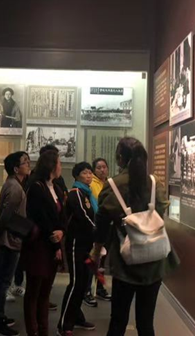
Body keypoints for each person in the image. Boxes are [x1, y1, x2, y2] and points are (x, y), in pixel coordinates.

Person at [91, 137, 179, 336]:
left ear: (120, 158)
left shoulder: (113, 185)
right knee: (146, 323)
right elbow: (161, 211)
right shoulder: (155, 183)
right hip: (155, 260)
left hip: (126, 261)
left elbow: (102, 224)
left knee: (118, 321)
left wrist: (96, 253)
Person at [0, 151, 31, 336]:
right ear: (16, 168)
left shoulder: (13, 184)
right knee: (2, 282)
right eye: (25, 162)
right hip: (11, 239)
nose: (28, 164)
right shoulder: (15, 188)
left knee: (0, 280)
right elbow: (5, 217)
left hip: (10, 238)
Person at [22, 149, 65, 336]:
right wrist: (55, 241)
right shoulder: (36, 187)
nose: (61, 167)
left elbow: (61, 216)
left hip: (53, 245)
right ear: (51, 166)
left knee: (45, 291)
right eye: (59, 163)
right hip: (39, 245)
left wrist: (61, 232)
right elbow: (41, 217)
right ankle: (33, 331)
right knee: (34, 291)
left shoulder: (56, 188)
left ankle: (43, 330)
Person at [57, 162, 97, 336]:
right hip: (76, 244)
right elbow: (83, 215)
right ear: (77, 176)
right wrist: (98, 231)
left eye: (90, 173)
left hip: (87, 244)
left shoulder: (87, 194)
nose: (88, 176)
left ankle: (76, 317)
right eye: (84, 173)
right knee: (75, 283)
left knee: (83, 283)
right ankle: (64, 323)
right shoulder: (75, 193)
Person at [85, 158, 112, 306]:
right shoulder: (92, 184)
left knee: (102, 260)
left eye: (104, 167)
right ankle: (87, 291)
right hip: (96, 227)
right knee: (93, 259)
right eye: (99, 167)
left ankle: (100, 288)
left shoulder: (110, 183)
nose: (102, 170)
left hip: (108, 227)